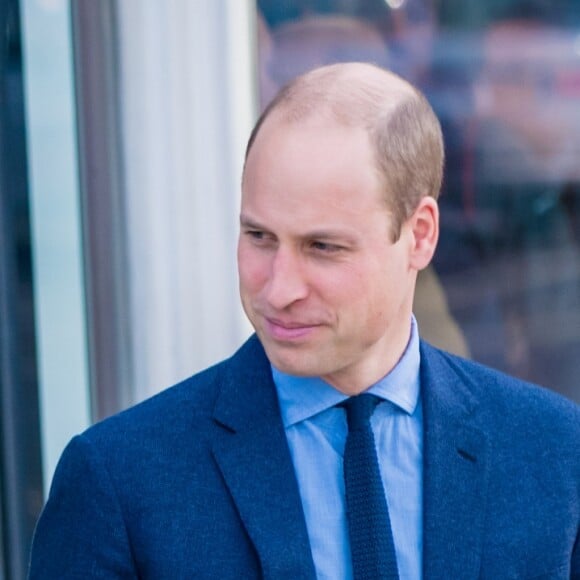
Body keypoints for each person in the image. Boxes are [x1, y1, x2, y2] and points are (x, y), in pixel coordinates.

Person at [29, 63, 579, 579]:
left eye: (323, 247)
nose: (279, 288)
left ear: (420, 235)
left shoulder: (556, 454)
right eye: (259, 236)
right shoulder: (119, 481)